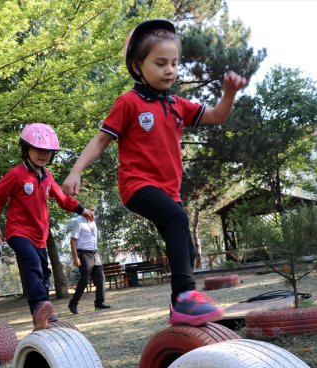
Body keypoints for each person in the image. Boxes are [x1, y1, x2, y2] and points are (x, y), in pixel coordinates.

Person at [62, 19, 248, 327]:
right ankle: (187, 296)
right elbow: (101, 139)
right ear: (137, 67)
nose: (170, 70)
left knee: (185, 248)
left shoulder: (177, 104)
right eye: (160, 63)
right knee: (176, 219)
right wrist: (75, 171)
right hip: (137, 186)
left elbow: (217, 116)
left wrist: (229, 93)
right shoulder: (129, 102)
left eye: (175, 63)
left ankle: (180, 306)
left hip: (169, 192)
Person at [0, 123, 94, 330]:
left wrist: (82, 210)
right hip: (18, 232)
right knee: (33, 265)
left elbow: (63, 199)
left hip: (40, 236)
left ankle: (41, 316)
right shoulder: (16, 174)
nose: (44, 155)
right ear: (27, 150)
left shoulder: (47, 177)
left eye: (48, 152)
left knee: (44, 272)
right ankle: (39, 305)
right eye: (39, 150)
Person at [68, 205, 110, 314]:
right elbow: (73, 241)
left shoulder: (93, 222)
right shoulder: (79, 222)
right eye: (90, 211)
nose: (92, 213)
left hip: (95, 252)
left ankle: (99, 303)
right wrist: (75, 257)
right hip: (84, 253)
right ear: (85, 212)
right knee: (85, 279)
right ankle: (73, 303)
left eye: (93, 212)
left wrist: (93, 210)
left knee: (101, 278)